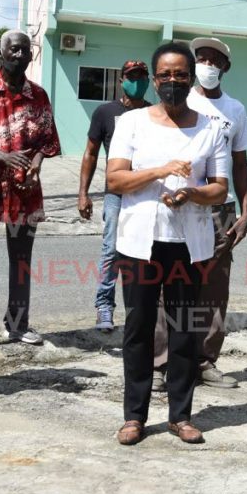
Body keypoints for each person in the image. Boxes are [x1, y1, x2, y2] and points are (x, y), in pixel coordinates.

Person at [107, 42, 230, 445]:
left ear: (191, 77)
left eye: (180, 75)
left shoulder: (211, 128)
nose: (172, 81)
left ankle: (181, 415)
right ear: (155, 80)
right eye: (165, 75)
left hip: (189, 244)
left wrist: (191, 193)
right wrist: (161, 171)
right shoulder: (132, 123)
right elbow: (115, 181)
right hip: (140, 242)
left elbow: (219, 189)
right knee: (139, 329)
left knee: (185, 330)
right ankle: (134, 416)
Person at [153, 37, 247, 391]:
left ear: (224, 68)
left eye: (215, 60)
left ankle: (204, 361)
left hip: (219, 208)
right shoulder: (178, 98)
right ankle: (161, 363)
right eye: (202, 59)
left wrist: (245, 211)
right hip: (176, 204)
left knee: (213, 287)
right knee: (170, 283)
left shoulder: (235, 110)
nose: (208, 65)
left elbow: (240, 164)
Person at [0, 30, 61, 353]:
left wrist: (37, 161)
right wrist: (3, 156)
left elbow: (48, 140)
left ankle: (18, 324)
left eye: (25, 51)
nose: (20, 55)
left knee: (21, 261)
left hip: (24, 188)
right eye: (14, 50)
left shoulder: (40, 96)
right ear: (1, 53)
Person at [78, 60, 151, 332]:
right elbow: (91, 153)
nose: (137, 81)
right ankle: (104, 307)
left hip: (146, 193)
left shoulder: (155, 112)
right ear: (121, 80)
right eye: (132, 77)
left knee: (146, 252)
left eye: (142, 77)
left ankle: (141, 308)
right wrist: (83, 194)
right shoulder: (105, 112)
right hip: (117, 193)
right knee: (112, 250)